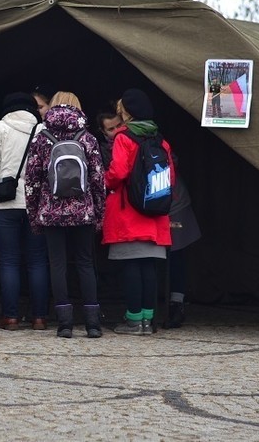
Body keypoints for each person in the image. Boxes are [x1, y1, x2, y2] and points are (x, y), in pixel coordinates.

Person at [24, 91, 106, 338]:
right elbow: (98, 180)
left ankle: (64, 324)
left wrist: (34, 213)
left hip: (51, 211)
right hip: (83, 212)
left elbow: (32, 180)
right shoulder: (87, 138)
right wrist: (98, 213)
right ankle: (92, 324)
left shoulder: (42, 138)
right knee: (84, 262)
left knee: (57, 264)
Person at [103, 89, 174, 335]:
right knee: (149, 268)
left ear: (128, 112)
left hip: (128, 214)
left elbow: (118, 173)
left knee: (131, 266)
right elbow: (170, 177)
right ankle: (147, 321)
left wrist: (105, 180)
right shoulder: (160, 140)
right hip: (155, 215)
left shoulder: (125, 138)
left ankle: (133, 320)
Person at [0, 92, 49, 330]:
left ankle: (10, 317)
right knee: (37, 260)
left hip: (5, 204)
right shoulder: (42, 131)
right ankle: (39, 317)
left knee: (9, 260)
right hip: (35, 203)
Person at [163, 161, 202, 328]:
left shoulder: (162, 148)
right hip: (149, 206)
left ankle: (176, 303)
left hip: (173, 206)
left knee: (175, 254)